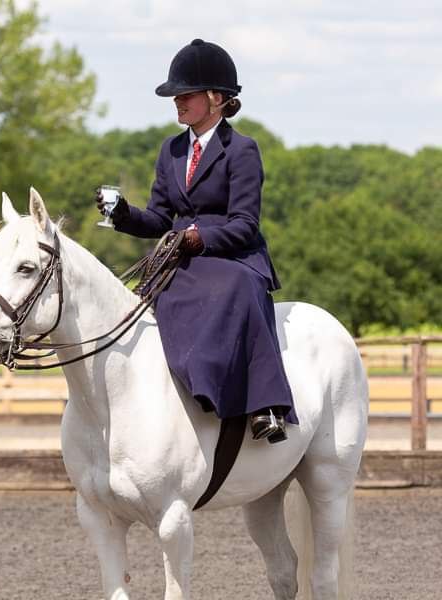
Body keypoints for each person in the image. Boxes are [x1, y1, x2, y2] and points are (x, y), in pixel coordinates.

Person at [96, 39, 296, 443]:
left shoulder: (242, 151)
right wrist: (120, 213)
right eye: (176, 96)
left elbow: (244, 224)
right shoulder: (171, 150)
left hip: (232, 256)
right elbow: (157, 219)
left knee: (235, 289)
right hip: (181, 256)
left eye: (185, 95)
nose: (177, 102)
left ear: (216, 99)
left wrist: (196, 237)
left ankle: (266, 405)